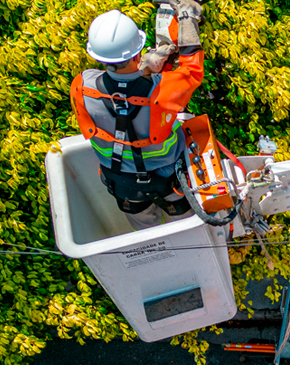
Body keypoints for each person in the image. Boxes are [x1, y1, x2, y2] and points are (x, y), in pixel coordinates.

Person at [70, 1, 205, 230]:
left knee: (146, 234)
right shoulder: (163, 89)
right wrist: (187, 20)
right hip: (167, 180)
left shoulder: (81, 86)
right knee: (188, 229)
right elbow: (192, 71)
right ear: (137, 52)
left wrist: (144, 68)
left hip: (121, 184)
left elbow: (118, 89)